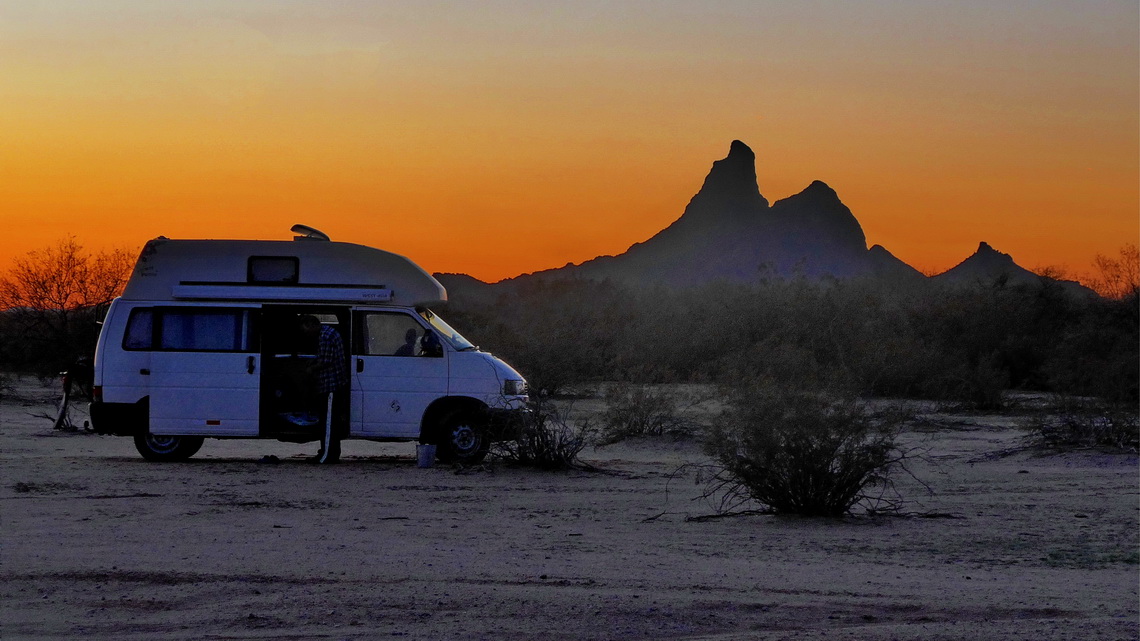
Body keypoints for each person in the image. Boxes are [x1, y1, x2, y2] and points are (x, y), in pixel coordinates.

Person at [300, 315, 349, 463]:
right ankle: (328, 452)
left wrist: (311, 369)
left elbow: (326, 361)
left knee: (328, 423)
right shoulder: (328, 333)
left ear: (312, 324)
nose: (306, 333)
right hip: (334, 384)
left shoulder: (325, 337)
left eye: (306, 329)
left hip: (330, 386)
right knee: (330, 422)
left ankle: (326, 456)